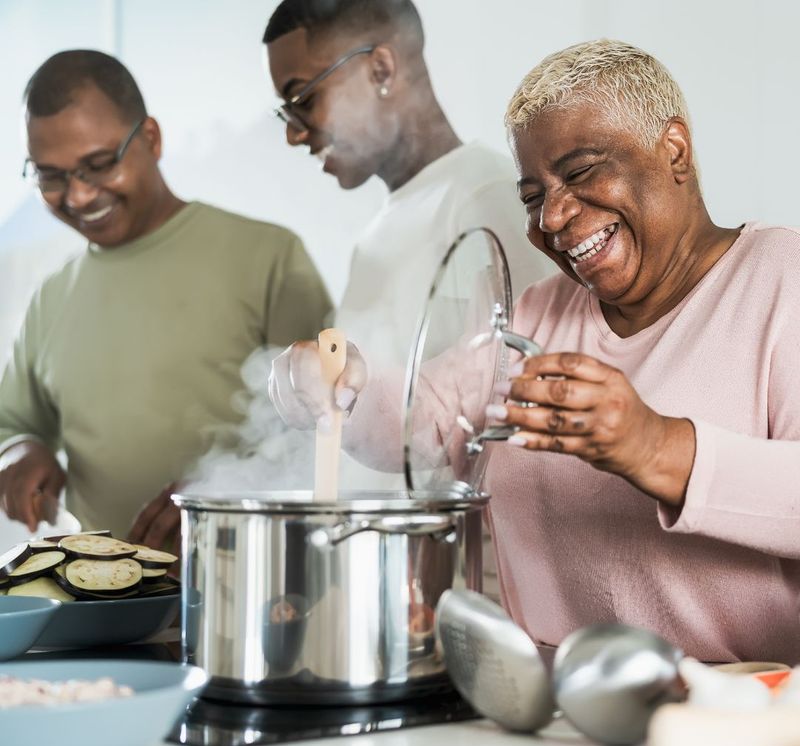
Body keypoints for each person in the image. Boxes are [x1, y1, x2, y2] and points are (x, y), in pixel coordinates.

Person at [269, 39, 800, 664]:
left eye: (579, 174)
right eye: (532, 196)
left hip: (743, 713)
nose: (552, 216)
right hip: (550, 705)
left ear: (674, 150)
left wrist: (653, 446)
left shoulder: (781, 280)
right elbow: (424, 421)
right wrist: (338, 387)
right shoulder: (535, 311)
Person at [264, 0, 555, 598]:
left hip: (464, 605)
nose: (294, 132)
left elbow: (526, 437)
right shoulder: (380, 230)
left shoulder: (490, 202)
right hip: (383, 597)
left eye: (303, 98)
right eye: (285, 111)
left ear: (380, 69)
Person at [0, 50, 332, 550]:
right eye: (52, 176)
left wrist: (219, 502)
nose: (79, 196)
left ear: (150, 139)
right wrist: (20, 452)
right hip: (101, 606)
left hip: (252, 591)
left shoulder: (269, 258)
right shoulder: (51, 296)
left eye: (98, 164)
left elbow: (330, 431)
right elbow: (16, 423)